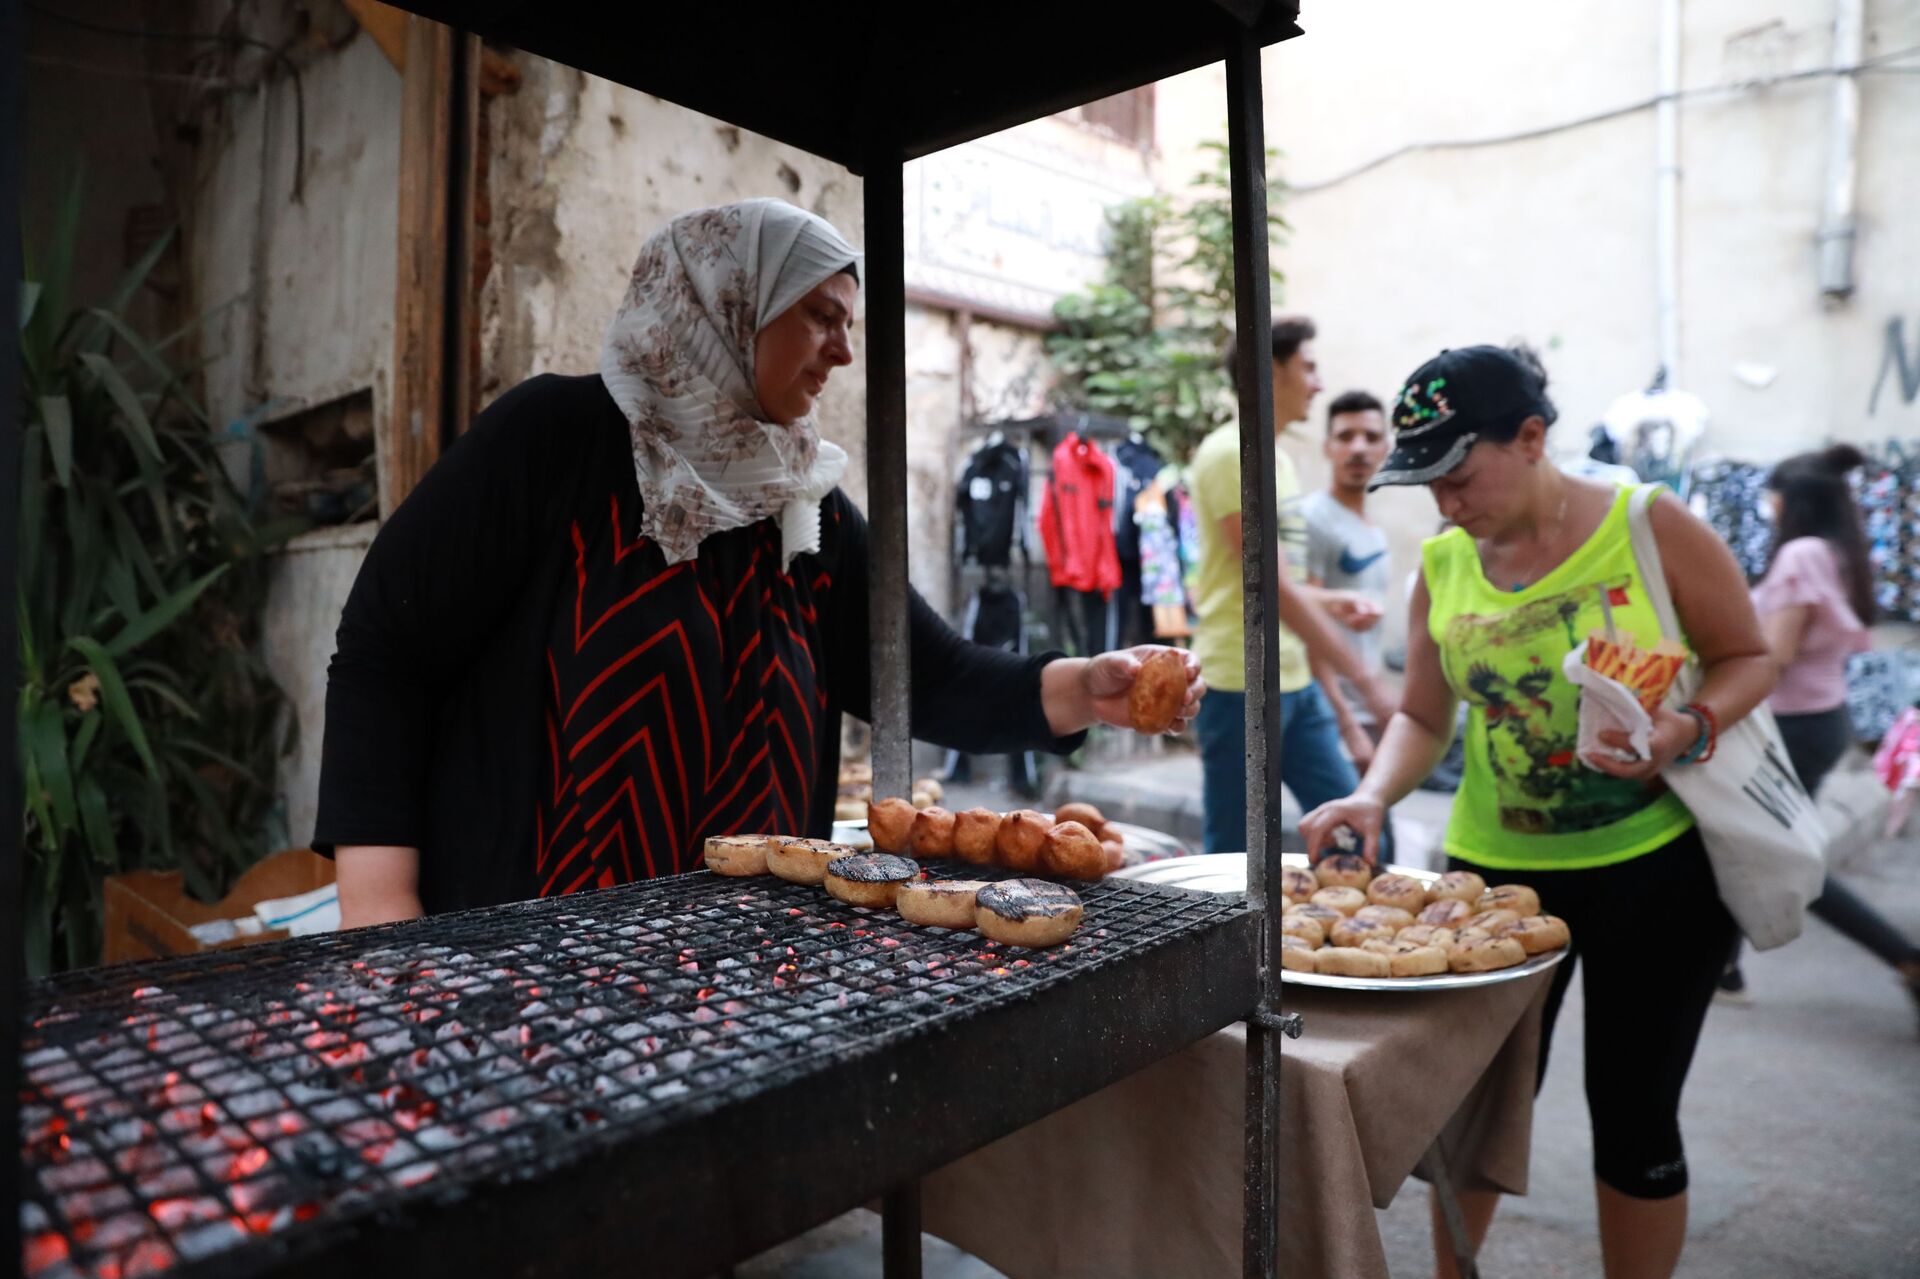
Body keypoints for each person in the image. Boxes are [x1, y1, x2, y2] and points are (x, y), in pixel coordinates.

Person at [316, 199, 1203, 925]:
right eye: (821, 316)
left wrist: (1086, 688)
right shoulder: (555, 440)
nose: (844, 352)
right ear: (725, 301)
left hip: (742, 963)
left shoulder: (804, 501)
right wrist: (380, 902)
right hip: (529, 943)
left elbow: (926, 677)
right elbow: (386, 655)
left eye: (848, 324)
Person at [1299, 345, 1778, 1279]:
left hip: (1657, 868)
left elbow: (1748, 655)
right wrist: (1373, 791)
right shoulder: (1443, 562)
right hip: (1492, 880)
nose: (1444, 503)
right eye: (1424, 482)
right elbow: (1423, 715)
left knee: (1635, 1110)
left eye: (1459, 475)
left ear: (1530, 438)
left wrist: (1686, 724)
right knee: (1471, 1110)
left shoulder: (1650, 524)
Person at [1718, 444, 1920, 1016]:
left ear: (1793, 502)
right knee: (1754, 846)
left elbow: (1775, 653)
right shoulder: (1839, 551)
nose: (1769, 508)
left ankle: (1906, 956)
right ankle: (1724, 968)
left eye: (1774, 498)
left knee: (1784, 855)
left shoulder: (1801, 554)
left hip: (1790, 726)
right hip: (1819, 719)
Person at [1189, 317, 1397, 857]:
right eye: (1308, 366)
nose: (1318, 382)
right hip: (1240, 685)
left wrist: (1330, 602)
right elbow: (1274, 589)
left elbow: (1276, 583)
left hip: (1296, 680)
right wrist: (1367, 681)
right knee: (1237, 859)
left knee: (1359, 833)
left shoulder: (1276, 456)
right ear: (1271, 369)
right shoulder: (1230, 453)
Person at [1303, 389, 1393, 768]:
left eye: (1371, 437)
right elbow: (1305, 623)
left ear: (1386, 447)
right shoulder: (1314, 518)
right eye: (1346, 436)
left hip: (1370, 707)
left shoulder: (1373, 530)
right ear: (1327, 447)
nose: (1359, 448)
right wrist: (1345, 722)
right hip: (1334, 715)